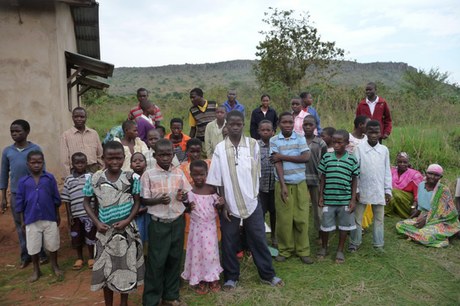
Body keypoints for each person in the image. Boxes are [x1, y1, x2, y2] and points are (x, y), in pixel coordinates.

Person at [207, 110, 283, 290]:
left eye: (238, 124)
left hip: (252, 201)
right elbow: (218, 178)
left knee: (258, 238)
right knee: (229, 241)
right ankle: (231, 277)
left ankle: (268, 275)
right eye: (231, 124)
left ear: (243, 125)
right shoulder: (220, 149)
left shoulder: (252, 145)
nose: (234, 127)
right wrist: (223, 202)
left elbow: (255, 172)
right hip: (229, 204)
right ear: (226, 126)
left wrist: (254, 197)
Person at [83, 141, 144, 306]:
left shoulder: (131, 178)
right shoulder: (95, 178)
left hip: (127, 231)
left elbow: (137, 202)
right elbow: (86, 202)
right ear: (103, 158)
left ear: (124, 158)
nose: (115, 162)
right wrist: (96, 222)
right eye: (110, 158)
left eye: (119, 158)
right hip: (105, 233)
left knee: (126, 267)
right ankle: (108, 303)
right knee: (106, 269)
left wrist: (127, 220)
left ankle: (124, 302)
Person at [141, 139, 192, 306]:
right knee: (156, 261)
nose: (165, 158)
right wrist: (156, 201)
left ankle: (170, 296)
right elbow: (143, 200)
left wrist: (183, 197)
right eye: (161, 155)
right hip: (158, 223)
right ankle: (152, 299)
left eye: (168, 154)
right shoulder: (148, 175)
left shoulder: (178, 173)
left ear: (173, 155)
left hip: (177, 221)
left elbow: (186, 196)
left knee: (174, 258)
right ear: (155, 155)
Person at [1, 119, 48, 268]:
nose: (14, 134)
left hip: (33, 193)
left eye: (18, 131)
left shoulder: (35, 149)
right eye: (12, 131)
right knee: (21, 225)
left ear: (27, 132)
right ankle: (25, 255)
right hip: (16, 194)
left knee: (36, 222)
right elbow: (3, 174)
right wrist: (3, 196)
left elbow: (43, 171)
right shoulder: (7, 151)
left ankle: (41, 253)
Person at [270, 112, 312, 264]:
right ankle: (285, 250)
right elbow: (277, 163)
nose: (287, 125)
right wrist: (282, 186)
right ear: (279, 124)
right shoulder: (274, 140)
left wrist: (282, 156)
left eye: (290, 122)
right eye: (284, 122)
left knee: (301, 218)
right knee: (284, 219)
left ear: (294, 123)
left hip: (300, 184)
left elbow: (306, 157)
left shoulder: (300, 138)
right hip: (283, 184)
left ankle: (303, 250)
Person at [16, 150, 62, 282]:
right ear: (27, 164)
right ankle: (36, 270)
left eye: (39, 162)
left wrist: (57, 215)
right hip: (31, 219)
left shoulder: (49, 178)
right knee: (33, 246)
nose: (36, 165)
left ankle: (55, 265)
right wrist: (22, 220)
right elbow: (19, 202)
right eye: (33, 162)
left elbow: (55, 198)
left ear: (43, 163)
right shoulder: (23, 182)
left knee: (53, 243)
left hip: (49, 216)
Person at [181, 160, 224, 294]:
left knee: (210, 253)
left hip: (209, 227)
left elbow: (217, 205)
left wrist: (220, 204)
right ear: (190, 174)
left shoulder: (211, 189)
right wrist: (188, 207)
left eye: (202, 174)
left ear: (207, 174)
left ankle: (213, 278)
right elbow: (185, 208)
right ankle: (200, 279)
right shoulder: (189, 190)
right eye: (195, 175)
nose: (199, 178)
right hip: (195, 228)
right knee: (197, 253)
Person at [317, 130, 359, 264]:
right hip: (329, 198)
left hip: (345, 199)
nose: (336, 145)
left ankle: (340, 250)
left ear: (346, 143)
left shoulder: (352, 159)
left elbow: (354, 179)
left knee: (344, 226)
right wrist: (321, 195)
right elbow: (322, 177)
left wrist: (353, 199)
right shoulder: (327, 157)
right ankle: (324, 247)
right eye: (334, 142)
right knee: (325, 225)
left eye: (339, 143)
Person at [349, 120, 392, 252]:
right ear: (366, 133)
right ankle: (355, 242)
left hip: (379, 189)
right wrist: (355, 189)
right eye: (371, 132)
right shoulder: (359, 149)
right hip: (362, 189)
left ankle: (378, 244)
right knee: (358, 218)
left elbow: (387, 171)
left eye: (376, 132)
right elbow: (355, 171)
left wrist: (388, 190)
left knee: (379, 219)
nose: (373, 135)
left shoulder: (384, 150)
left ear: (380, 133)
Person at [396, 164, 460, 247]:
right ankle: (422, 236)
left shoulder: (444, 190)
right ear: (426, 174)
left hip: (440, 222)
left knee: (426, 236)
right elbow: (419, 208)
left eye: (436, 175)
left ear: (440, 177)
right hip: (423, 217)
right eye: (430, 173)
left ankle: (442, 240)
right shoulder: (421, 185)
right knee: (400, 225)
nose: (433, 177)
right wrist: (411, 218)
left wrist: (426, 220)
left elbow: (450, 214)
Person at [62, 152, 96, 271]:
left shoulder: (91, 177)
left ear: (86, 163)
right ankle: (79, 258)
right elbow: (66, 199)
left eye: (82, 162)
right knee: (76, 236)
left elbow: (95, 196)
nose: (80, 165)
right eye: (77, 163)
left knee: (91, 236)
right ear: (73, 164)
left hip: (89, 215)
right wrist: (69, 215)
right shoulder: (69, 179)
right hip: (75, 215)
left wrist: (95, 212)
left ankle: (91, 257)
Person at [60, 107, 103, 178]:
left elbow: (100, 155)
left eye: (82, 117)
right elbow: (65, 160)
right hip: (76, 171)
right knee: (78, 189)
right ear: (72, 118)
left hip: (93, 169)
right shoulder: (66, 135)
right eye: (76, 117)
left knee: (94, 188)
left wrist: (102, 171)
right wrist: (67, 177)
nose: (79, 119)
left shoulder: (94, 133)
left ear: (86, 117)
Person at [303, 115, 327, 239]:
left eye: (310, 124)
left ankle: (320, 234)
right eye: (305, 124)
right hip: (300, 180)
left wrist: (323, 181)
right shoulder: (298, 140)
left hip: (316, 180)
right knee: (302, 209)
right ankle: (301, 234)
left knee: (318, 210)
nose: (307, 127)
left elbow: (324, 163)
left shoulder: (320, 143)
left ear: (315, 126)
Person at [385, 152, 424, 218]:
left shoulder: (415, 175)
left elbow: (418, 195)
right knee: (390, 193)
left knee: (394, 192)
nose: (402, 164)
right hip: (394, 197)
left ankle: (408, 214)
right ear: (397, 163)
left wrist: (413, 207)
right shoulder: (391, 172)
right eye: (400, 162)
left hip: (409, 201)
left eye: (405, 162)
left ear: (408, 163)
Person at [258, 120, 277, 247]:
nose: (265, 132)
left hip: (275, 186)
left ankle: (275, 235)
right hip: (261, 187)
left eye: (268, 130)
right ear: (259, 131)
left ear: (273, 132)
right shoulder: (255, 146)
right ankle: (262, 236)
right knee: (261, 213)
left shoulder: (277, 145)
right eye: (263, 130)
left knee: (274, 212)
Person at [130, 152, 150, 250]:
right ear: (130, 165)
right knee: (138, 234)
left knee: (149, 233)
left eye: (141, 161)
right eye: (134, 161)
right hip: (135, 212)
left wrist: (145, 208)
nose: (137, 163)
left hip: (148, 210)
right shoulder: (129, 179)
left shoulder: (149, 178)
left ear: (146, 164)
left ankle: (147, 257)